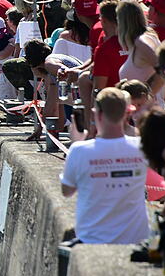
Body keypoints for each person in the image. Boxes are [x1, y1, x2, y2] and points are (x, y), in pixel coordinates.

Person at [60, 87, 149, 244]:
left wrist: (76, 143)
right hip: (137, 238)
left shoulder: (80, 150)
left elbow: (67, 191)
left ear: (98, 114)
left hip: (92, 239)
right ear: (127, 113)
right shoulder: (142, 147)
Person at [117, 0, 163, 104]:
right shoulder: (141, 40)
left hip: (150, 113)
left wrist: (147, 98)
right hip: (141, 115)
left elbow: (163, 68)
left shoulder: (142, 41)